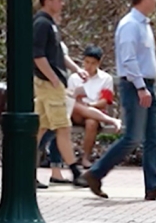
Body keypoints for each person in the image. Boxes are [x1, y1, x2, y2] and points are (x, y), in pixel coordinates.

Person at [76, 0, 156, 200]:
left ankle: (152, 186)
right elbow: (128, 59)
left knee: (153, 137)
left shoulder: (144, 25)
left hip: (147, 85)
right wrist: (141, 87)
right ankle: (95, 173)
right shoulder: (130, 24)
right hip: (135, 85)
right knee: (133, 136)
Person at [41, 43, 122, 184]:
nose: (89, 66)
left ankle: (85, 157)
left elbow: (105, 100)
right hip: (75, 112)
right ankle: (111, 120)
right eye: (86, 62)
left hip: (95, 113)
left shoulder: (105, 78)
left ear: (99, 63)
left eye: (93, 63)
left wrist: (90, 105)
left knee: (91, 122)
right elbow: (69, 99)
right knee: (68, 116)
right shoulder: (74, 77)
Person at [32, 0, 88, 188]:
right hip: (49, 86)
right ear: (47, 1)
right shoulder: (41, 23)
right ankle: (75, 171)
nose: (62, 4)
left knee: (40, 128)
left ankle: (26, 171)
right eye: (58, 0)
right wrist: (53, 78)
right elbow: (38, 55)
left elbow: (57, 54)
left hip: (52, 84)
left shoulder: (51, 24)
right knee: (63, 127)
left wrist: (75, 69)